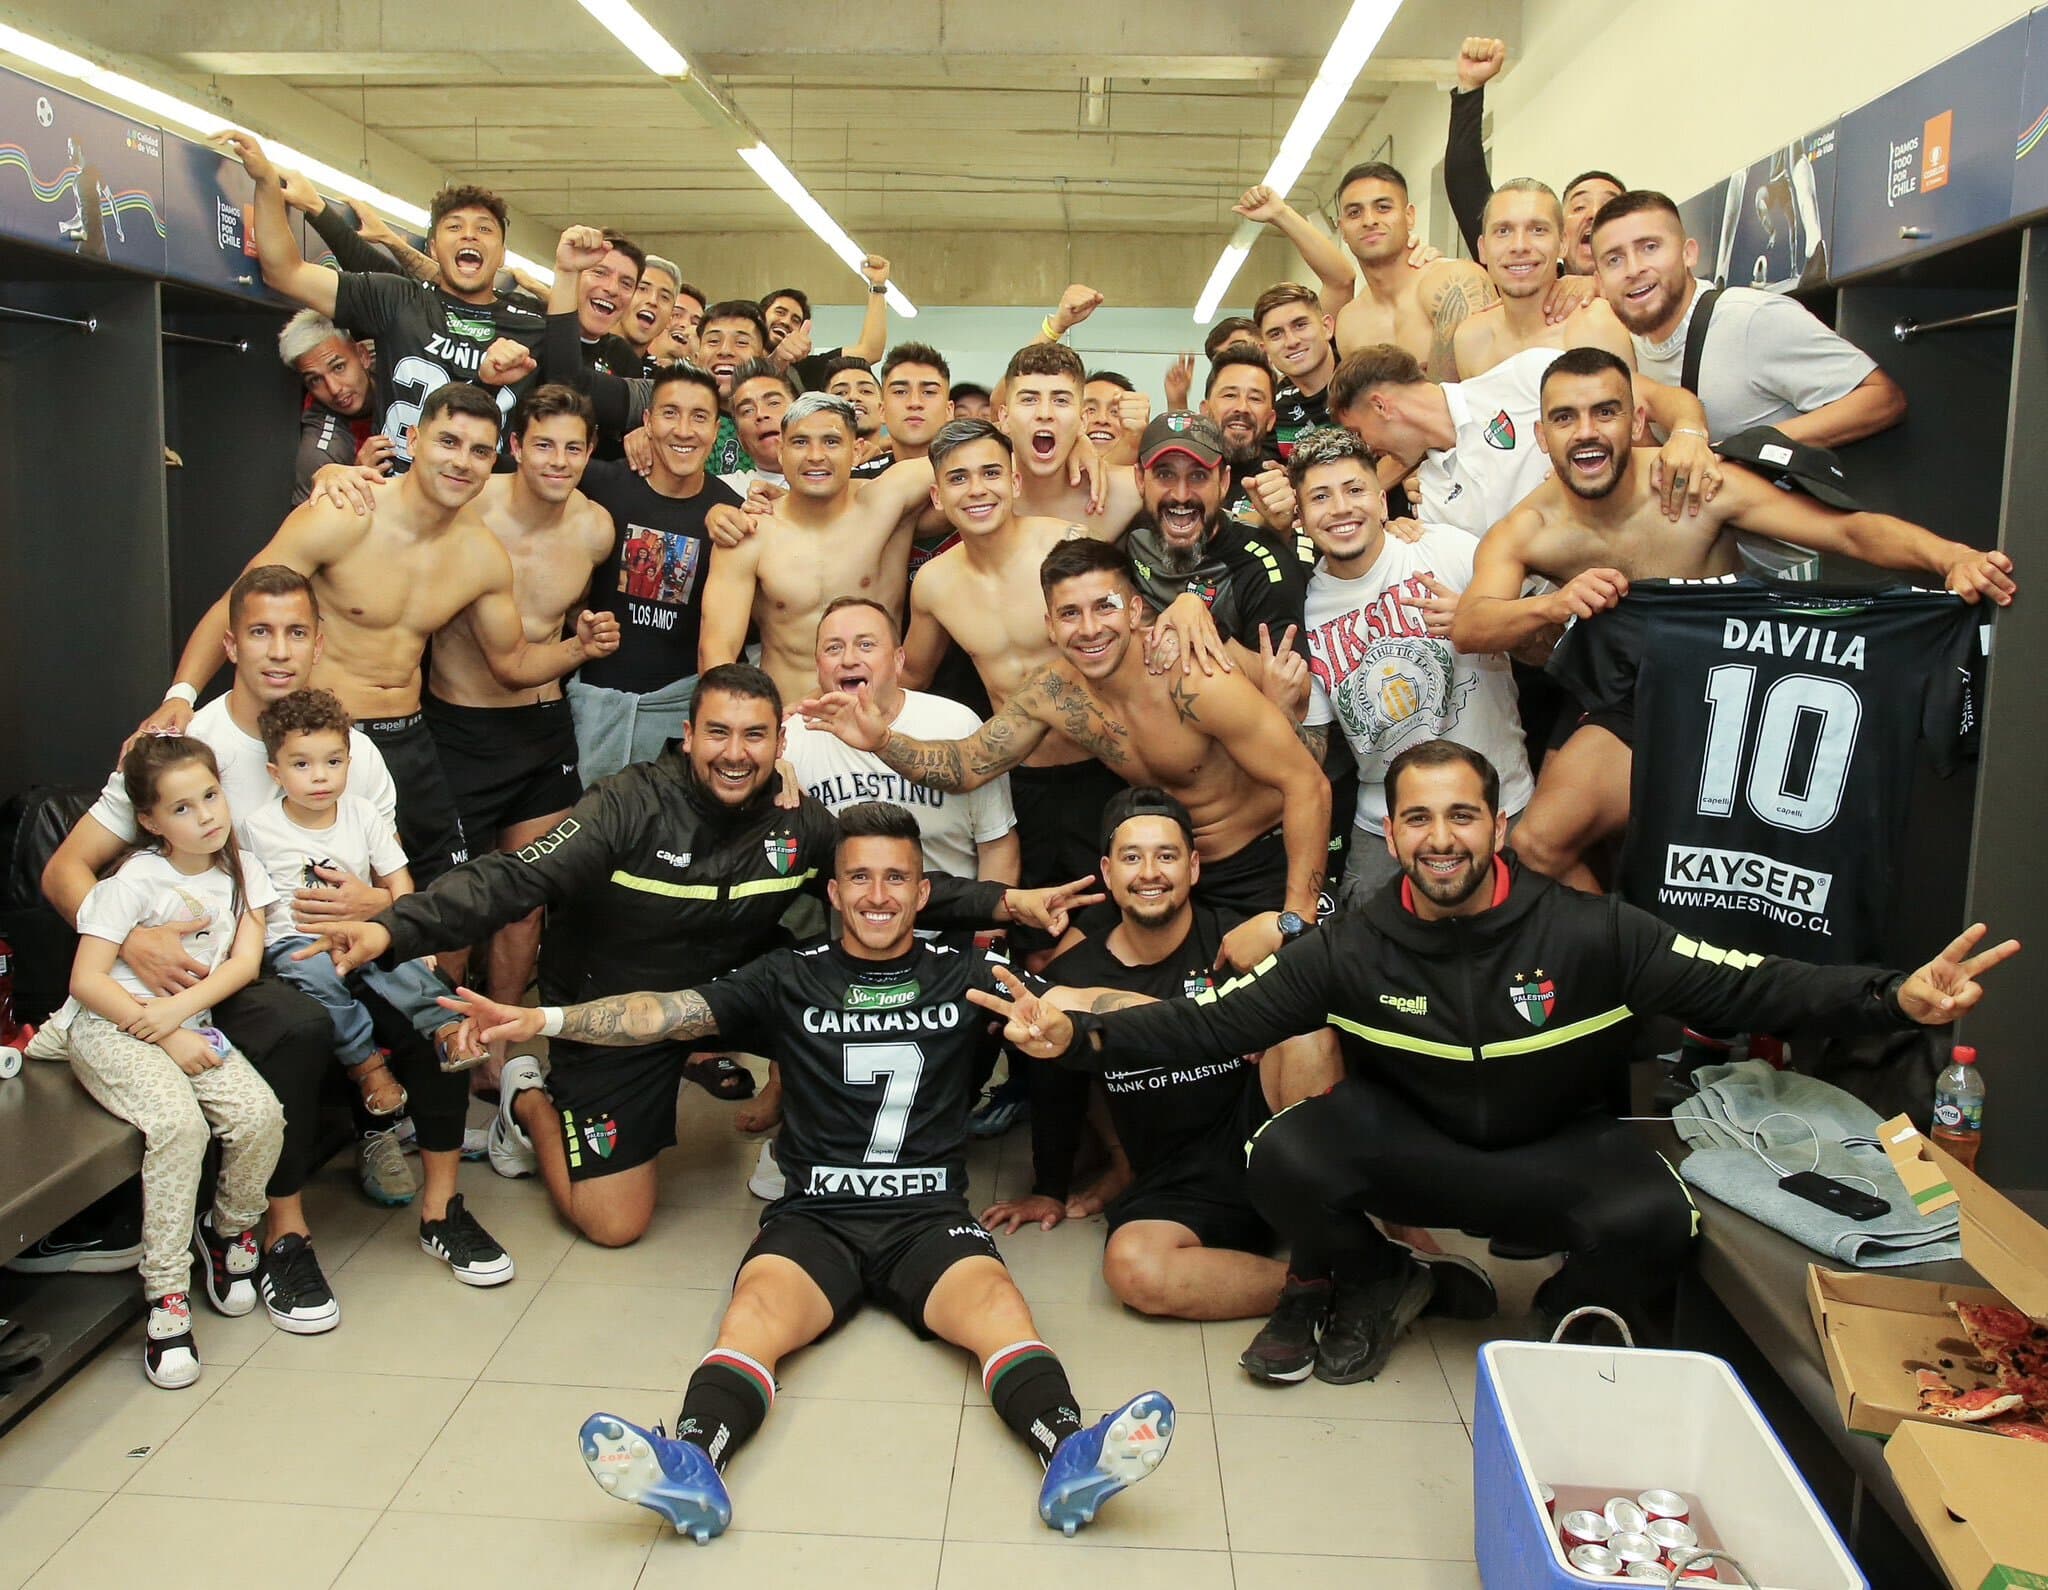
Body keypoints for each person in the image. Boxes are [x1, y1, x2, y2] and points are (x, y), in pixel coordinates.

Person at [976, 741, 2022, 1379]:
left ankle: (1566, 1316)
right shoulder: (1351, 944)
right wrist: (1079, 1036)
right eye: (1417, 817)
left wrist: (1890, 994)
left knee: (1658, 1218)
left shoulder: (1589, 930)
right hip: (1413, 1150)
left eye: (1460, 816)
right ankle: (1380, 1272)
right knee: (1285, 1156)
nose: (1438, 838)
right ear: (1391, 828)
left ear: (1497, 827)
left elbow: (1744, 982)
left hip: (1554, 1151)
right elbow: (1209, 1022)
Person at [439, 801, 1175, 1542]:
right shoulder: (789, 976)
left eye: (896, 878)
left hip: (929, 1219)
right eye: (859, 877)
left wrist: (1193, 1017)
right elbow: (666, 1013)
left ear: (924, 894)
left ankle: (1071, 1450)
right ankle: (689, 1465)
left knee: (1001, 1313)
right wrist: (545, 1021)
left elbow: (1079, 1003)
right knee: (752, 1317)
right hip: (816, 1216)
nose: (878, 895)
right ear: (833, 891)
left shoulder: (969, 973)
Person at [294, 665, 1094, 1249]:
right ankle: (527, 1102)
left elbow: (877, 884)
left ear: (780, 742)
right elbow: (515, 877)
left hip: (739, 993)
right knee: (613, 1225)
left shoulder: (796, 820)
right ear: (688, 735)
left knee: (865, 986)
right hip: (618, 1007)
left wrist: (1004, 902)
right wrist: (395, 927)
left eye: (754, 736)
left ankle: (803, 1131)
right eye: (718, 733)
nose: (736, 753)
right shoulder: (626, 804)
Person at [1451, 348, 2016, 889]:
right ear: (1541, 435)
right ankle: (1631, 972)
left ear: (1637, 420)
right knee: (1538, 846)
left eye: (1606, 411)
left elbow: (1847, 530)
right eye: (1565, 418)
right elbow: (1472, 626)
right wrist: (1553, 603)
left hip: (1739, 687)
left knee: (1740, 863)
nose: (1587, 432)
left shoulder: (1696, 488)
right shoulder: (1530, 527)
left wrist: (1951, 557)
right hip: (1633, 693)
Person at [43, 566, 401, 1309]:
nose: (279, 651)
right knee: (298, 1019)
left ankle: (415, 1176)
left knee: (424, 973)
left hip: (298, 946)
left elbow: (395, 873)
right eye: (262, 632)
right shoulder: (181, 744)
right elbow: (65, 870)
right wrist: (131, 943)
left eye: (296, 632)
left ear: (318, 644)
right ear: (231, 644)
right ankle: (282, 1232)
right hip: (196, 971)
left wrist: (378, 911)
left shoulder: (349, 748)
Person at [136, 384, 621, 888]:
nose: (462, 462)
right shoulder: (345, 512)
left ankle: (427, 973)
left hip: (407, 736)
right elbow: (237, 605)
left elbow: (512, 663)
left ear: (494, 460)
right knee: (300, 891)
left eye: (479, 451)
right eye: (448, 442)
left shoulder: (481, 556)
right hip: (319, 734)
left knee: (444, 891)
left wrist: (579, 648)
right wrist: (181, 695)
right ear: (414, 439)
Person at [804, 538, 1332, 975]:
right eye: (1069, 614)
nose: (1089, 628)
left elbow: (1308, 785)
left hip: (1261, 864)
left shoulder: (1191, 675)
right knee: (1051, 976)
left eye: (1104, 606)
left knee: (1268, 1015)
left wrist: (1293, 920)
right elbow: (967, 765)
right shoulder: (1054, 693)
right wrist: (881, 740)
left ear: (1134, 610)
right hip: (1161, 874)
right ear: (1050, 626)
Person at [984, 789, 1286, 1323]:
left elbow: (1349, 965)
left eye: (1167, 855)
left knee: (1307, 1023)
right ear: (1106, 870)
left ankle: (1345, 1220)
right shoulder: (1072, 974)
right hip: (1176, 1183)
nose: (1150, 872)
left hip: (1275, 1158)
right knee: (1132, 1268)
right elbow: (1060, 1089)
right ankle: (1334, 1285)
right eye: (1131, 857)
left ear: (1193, 867)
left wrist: (1290, 928)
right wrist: (1049, 1189)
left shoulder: (1242, 941)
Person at [63, 736, 286, 1388]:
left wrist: (180, 1015)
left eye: (211, 795)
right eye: (184, 809)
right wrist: (160, 1029)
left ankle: (226, 1231)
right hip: (112, 1028)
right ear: (153, 822)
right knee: (180, 1127)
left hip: (185, 1023)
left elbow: (244, 963)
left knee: (259, 1115)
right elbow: (87, 981)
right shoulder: (134, 880)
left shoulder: (244, 871)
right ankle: (165, 1292)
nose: (207, 816)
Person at [410, 383, 612, 1070]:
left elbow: (561, 617)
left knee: (525, 903)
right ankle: (443, 1053)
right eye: (544, 445)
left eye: (574, 448)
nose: (559, 461)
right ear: (516, 448)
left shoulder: (594, 528)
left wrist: (579, 635)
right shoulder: (469, 505)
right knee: (455, 907)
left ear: (590, 453)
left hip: (543, 734)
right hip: (461, 729)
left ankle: (502, 1055)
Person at [1286, 429, 1537, 907]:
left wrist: (1481, 620)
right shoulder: (1304, 607)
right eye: (1320, 497)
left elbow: (1546, 650)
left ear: (1383, 502)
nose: (1340, 508)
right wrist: (1283, 711)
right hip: (1386, 831)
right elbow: (1311, 760)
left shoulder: (1446, 550)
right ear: (1300, 518)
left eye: (1355, 490)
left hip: (1501, 809)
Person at [221, 130, 544, 467]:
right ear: (433, 247)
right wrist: (266, 183)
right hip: (400, 503)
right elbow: (285, 272)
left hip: (490, 507)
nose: (469, 234)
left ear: (503, 254)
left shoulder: (533, 323)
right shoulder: (396, 298)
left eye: (484, 229)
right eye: (454, 227)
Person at [247, 689, 466, 1114]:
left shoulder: (362, 814)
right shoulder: (257, 828)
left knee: (402, 966)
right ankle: (366, 1065)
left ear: (350, 761)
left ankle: (446, 1030)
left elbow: (397, 876)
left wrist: (412, 935)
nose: (320, 777)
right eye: (301, 764)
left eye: (333, 762)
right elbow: (249, 904)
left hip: (362, 929)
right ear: (276, 773)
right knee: (315, 977)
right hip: (299, 941)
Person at [1591, 190, 1907, 446]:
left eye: (1649, 247)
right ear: (1600, 279)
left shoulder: (1753, 319)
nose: (1634, 269)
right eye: (1614, 259)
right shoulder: (1621, 345)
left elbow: (1881, 398)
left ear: (1689, 253)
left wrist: (1745, 453)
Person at [1328, 342, 1719, 540]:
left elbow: (1655, 397)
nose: (1371, 451)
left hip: (1659, 550)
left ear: (1380, 405)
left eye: (1360, 435)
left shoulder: (1525, 374)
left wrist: (1687, 434)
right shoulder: (1429, 495)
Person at [697, 392, 933, 710]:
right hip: (789, 720)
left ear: (857, 451)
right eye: (800, 443)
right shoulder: (751, 532)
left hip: (878, 715)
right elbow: (716, 651)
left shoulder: (888, 501)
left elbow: (983, 458)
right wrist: (753, 723)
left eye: (832, 442)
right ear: (780, 451)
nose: (815, 456)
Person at [567, 362, 744, 783]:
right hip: (592, 707)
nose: (683, 430)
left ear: (716, 428)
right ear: (646, 421)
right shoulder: (602, 483)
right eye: (669, 413)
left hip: (676, 716)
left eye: (699, 416)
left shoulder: (731, 512)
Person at [784, 597, 1019, 884]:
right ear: (817, 664)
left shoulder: (957, 724)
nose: (848, 659)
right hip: (851, 924)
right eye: (834, 648)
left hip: (956, 919)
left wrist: (986, 930)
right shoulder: (792, 740)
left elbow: (997, 845)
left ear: (898, 660)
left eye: (866, 645)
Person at [1440, 37, 1623, 278]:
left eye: (1610, 206)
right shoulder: (1526, 279)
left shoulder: (1650, 301)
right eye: (1579, 206)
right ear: (1562, 239)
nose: (1594, 214)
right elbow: (1466, 183)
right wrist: (1469, 89)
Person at [1454, 180, 1639, 378]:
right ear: (1482, 249)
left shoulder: (1598, 324)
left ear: (1562, 243)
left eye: (1537, 230)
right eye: (1503, 231)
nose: (1519, 246)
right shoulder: (1469, 339)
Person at [1328, 161, 1495, 376]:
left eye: (1383, 208)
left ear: (1409, 217)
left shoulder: (1455, 281)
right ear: (1342, 230)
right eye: (1354, 213)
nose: (1369, 220)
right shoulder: (1349, 322)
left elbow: (1481, 392)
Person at [999, 343, 1142, 535]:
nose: (1044, 413)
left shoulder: (1130, 491)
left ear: (1082, 420)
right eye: (1029, 399)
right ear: (1004, 418)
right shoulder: (983, 491)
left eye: (1061, 400)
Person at [278, 309, 389, 505]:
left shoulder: (396, 358)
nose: (335, 389)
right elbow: (308, 531)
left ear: (363, 355)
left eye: (338, 367)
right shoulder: (322, 452)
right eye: (315, 380)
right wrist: (356, 482)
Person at [761, 257, 892, 390]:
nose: (786, 321)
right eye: (780, 312)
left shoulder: (807, 370)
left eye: (796, 320)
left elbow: (870, 351)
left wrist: (877, 285)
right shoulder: (741, 357)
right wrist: (777, 359)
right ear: (761, 316)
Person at [1255, 283, 1341, 456]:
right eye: (1276, 334)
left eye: (1300, 325)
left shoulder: (1366, 379)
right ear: (1266, 351)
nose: (1291, 341)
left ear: (1327, 327)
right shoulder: (1274, 409)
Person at [723, 358, 798, 488]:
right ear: (740, 437)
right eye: (747, 410)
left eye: (774, 403)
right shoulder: (724, 491)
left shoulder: (840, 489)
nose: (761, 414)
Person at [621, 253, 682, 372]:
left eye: (664, 297)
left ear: (670, 318)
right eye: (642, 289)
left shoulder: (662, 380)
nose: (653, 301)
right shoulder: (580, 352)